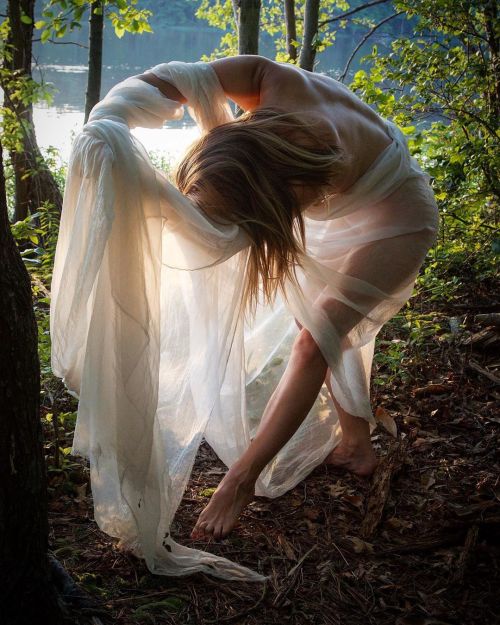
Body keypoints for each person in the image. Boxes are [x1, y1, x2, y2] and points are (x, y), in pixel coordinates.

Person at [137, 55, 439, 541]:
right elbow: (187, 75)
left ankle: (241, 480)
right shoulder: (271, 83)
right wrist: (119, 107)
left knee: (315, 337)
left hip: (395, 218)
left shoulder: (308, 161)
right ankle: (358, 445)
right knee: (319, 325)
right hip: (348, 205)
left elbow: (271, 226)